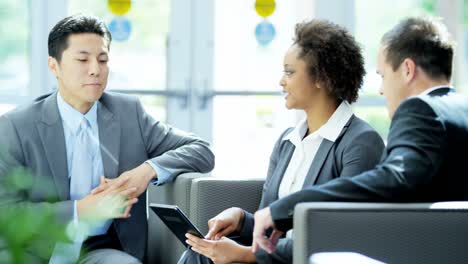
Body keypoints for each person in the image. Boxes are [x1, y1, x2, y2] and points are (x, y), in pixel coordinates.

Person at [0, 14, 214, 263]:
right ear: (53, 66)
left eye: (103, 60)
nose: (95, 70)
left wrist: (145, 172)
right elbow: (5, 212)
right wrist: (81, 211)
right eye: (82, 59)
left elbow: (201, 150)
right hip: (35, 250)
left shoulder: (128, 113)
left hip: (100, 249)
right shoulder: (16, 126)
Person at [252, 16, 468, 257]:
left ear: (407, 69)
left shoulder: (420, 108)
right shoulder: (461, 110)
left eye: (384, 75)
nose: (381, 89)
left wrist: (285, 208)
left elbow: (393, 179)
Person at [179, 19, 385, 264]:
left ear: (322, 77)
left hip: (313, 259)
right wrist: (241, 219)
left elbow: (338, 234)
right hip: (273, 257)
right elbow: (270, 228)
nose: (281, 81)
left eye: (289, 72)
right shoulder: (288, 141)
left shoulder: (361, 143)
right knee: (197, 254)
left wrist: (245, 255)